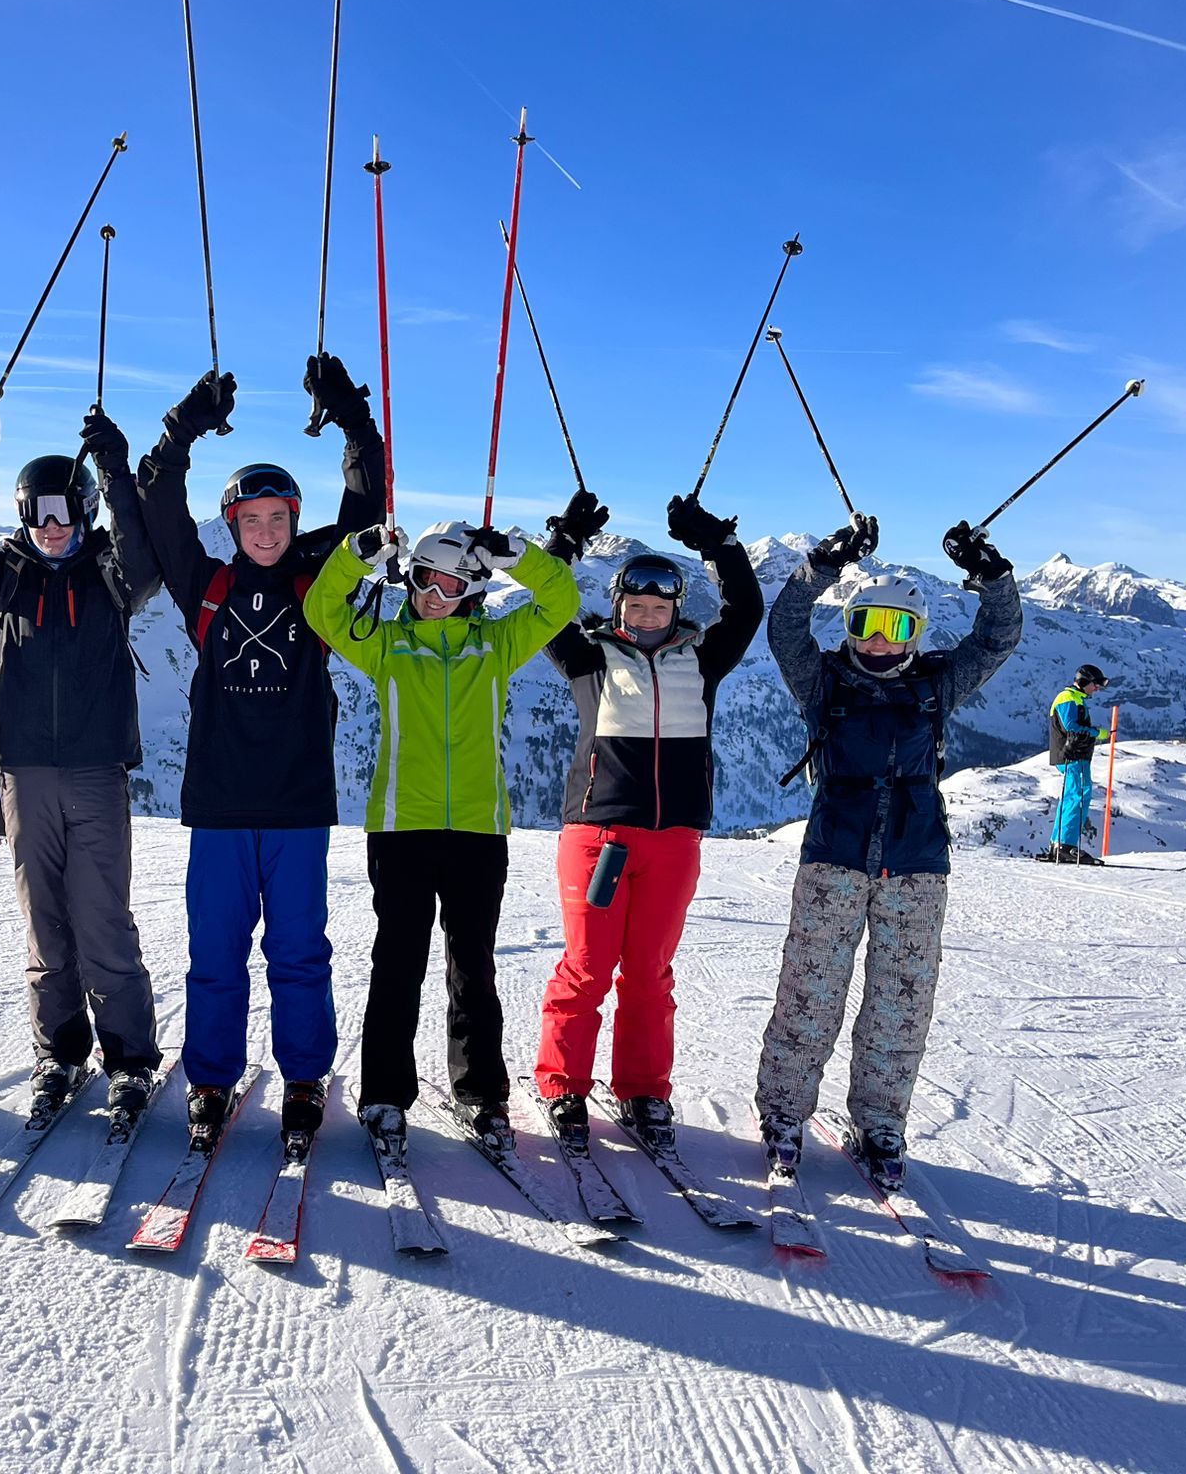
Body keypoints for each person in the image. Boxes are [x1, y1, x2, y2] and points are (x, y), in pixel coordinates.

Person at [134, 355, 387, 1148]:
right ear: (233, 526)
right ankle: (211, 1081)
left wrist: (352, 418)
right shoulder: (204, 587)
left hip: (298, 806)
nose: (268, 532)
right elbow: (158, 506)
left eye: (280, 519)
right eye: (253, 521)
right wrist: (182, 428)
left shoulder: (320, 581)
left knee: (299, 953)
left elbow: (366, 504)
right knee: (214, 954)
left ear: (293, 520)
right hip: (218, 806)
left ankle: (304, 1081)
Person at [754, 515, 1021, 1189]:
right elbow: (785, 628)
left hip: (916, 865)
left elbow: (998, 637)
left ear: (917, 634)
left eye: (896, 628)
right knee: (810, 992)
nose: (876, 640)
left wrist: (993, 577)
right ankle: (784, 1114)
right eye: (866, 623)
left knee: (900, 1001)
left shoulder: (936, 686)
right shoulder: (826, 684)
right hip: (833, 859)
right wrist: (819, 566)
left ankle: (881, 1121)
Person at [305, 514, 581, 1152]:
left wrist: (519, 555)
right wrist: (359, 553)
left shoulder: (498, 644)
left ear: (475, 592)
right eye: (426, 579)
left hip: (479, 830)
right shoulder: (386, 643)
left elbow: (561, 597)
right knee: (397, 963)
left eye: (452, 585)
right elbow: (323, 608)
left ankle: (482, 1095)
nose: (435, 594)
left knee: (473, 966)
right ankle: (383, 1096)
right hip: (402, 827)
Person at [0, 396, 164, 1119]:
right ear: (25, 516)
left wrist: (119, 472)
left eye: (66, 512)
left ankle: (128, 1060)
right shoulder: (10, 576)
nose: (53, 528)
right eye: (39, 514)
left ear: (86, 512)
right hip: (25, 776)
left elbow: (148, 565)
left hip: (95, 774)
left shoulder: (109, 577)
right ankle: (58, 1052)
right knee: (45, 925)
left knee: (102, 921)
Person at [531, 489, 764, 1155]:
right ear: (618, 607)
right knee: (586, 966)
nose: (649, 615)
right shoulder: (589, 658)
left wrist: (718, 544)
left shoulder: (703, 659)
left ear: (675, 609)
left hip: (675, 839)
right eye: (636, 606)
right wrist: (563, 542)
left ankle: (642, 1089)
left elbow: (745, 607)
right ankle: (562, 1084)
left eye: (660, 606)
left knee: (650, 971)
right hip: (599, 836)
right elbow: (545, 610)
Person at [1044, 664, 1113, 865]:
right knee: (1079, 796)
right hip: (1073, 755)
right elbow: (1071, 727)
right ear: (1084, 681)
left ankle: (1058, 845)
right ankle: (1066, 846)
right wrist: (1097, 733)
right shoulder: (1069, 699)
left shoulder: (1074, 698)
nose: (1097, 688)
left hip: (1072, 755)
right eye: (1095, 684)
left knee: (1070, 798)